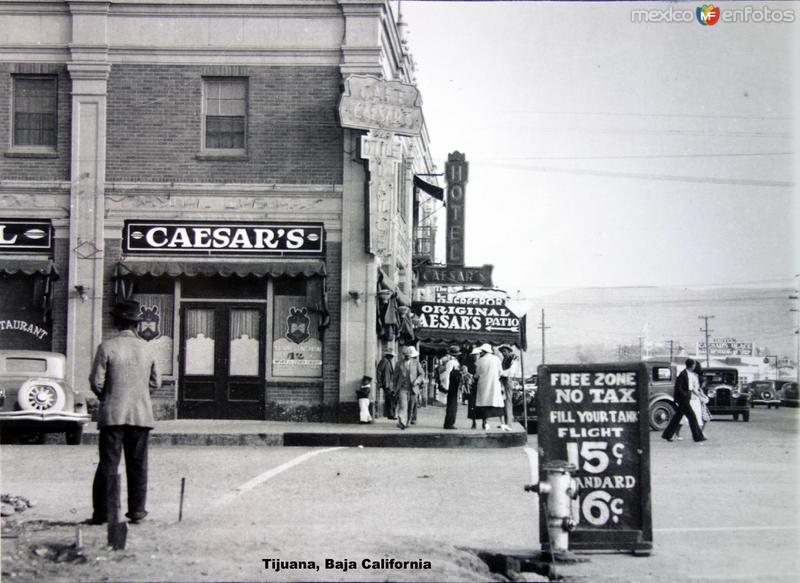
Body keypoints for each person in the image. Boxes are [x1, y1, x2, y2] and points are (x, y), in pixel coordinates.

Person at [88, 299, 160, 525]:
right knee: (138, 464)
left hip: (112, 414)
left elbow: (96, 382)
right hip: (140, 415)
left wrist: (108, 397)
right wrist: (139, 395)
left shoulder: (106, 347)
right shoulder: (148, 348)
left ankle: (105, 514)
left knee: (108, 463)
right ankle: (137, 512)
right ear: (137, 325)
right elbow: (155, 383)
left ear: (117, 323)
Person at [661, 358, 707, 443]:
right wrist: (685, 395)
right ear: (692, 365)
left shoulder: (688, 374)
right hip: (684, 399)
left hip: (686, 398)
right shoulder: (683, 374)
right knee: (692, 417)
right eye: (694, 365)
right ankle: (698, 437)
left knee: (677, 418)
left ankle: (667, 435)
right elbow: (678, 388)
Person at [473, 343, 507, 431]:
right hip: (494, 384)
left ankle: (486, 423)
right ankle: (502, 423)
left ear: (484, 351)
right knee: (498, 403)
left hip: (483, 384)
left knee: (484, 403)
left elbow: (477, 374)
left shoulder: (480, 360)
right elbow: (500, 372)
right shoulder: (496, 359)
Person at [392, 345, 425, 430]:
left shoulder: (416, 363)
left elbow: (422, 374)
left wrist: (417, 381)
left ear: (411, 356)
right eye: (405, 355)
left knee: (410, 407)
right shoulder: (399, 363)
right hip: (402, 388)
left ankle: (406, 422)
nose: (406, 356)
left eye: (408, 355)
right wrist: (394, 388)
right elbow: (395, 377)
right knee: (403, 406)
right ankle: (402, 422)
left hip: (413, 388)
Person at [498, 345, 519, 431]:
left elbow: (511, 371)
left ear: (509, 351)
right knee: (503, 402)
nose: (503, 353)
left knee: (508, 402)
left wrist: (501, 373)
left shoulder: (513, 358)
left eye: (505, 351)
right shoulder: (504, 359)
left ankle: (509, 423)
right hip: (503, 380)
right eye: (502, 351)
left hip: (508, 380)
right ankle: (505, 422)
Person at [442, 345, 463, 429]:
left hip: (454, 383)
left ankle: (450, 422)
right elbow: (447, 374)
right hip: (452, 384)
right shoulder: (451, 362)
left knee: (453, 404)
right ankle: (449, 423)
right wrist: (446, 386)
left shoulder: (453, 361)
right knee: (452, 404)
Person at [376, 348, 396, 419]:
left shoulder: (388, 361)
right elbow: (379, 371)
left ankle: (390, 414)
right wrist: (379, 382)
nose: (392, 357)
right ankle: (390, 414)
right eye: (391, 355)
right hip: (386, 383)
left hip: (390, 384)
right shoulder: (384, 361)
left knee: (390, 399)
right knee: (390, 399)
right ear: (388, 355)